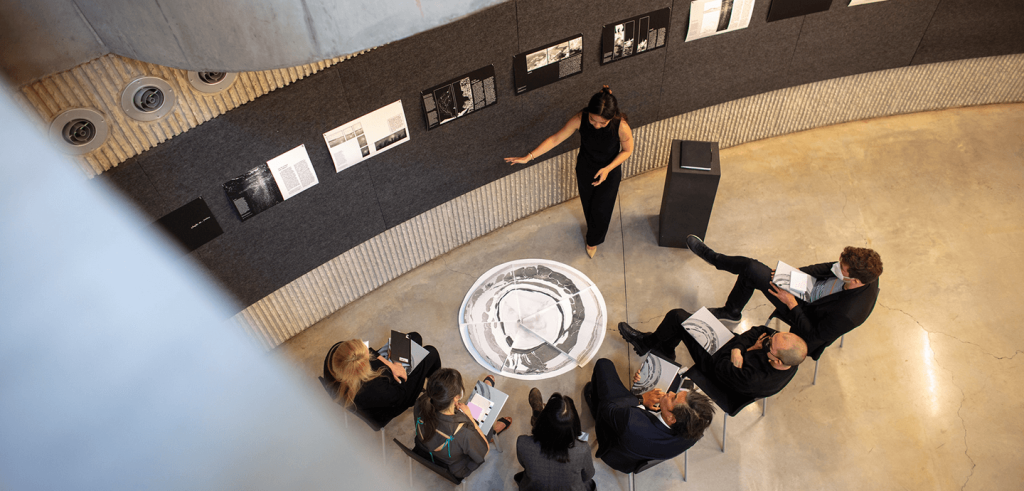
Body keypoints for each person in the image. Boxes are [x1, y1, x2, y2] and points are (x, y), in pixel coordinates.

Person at [685, 235, 882, 358]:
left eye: (843, 269)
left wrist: (792, 304)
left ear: (855, 281)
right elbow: (827, 268)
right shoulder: (861, 272)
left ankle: (730, 307)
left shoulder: (848, 314)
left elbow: (811, 336)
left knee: (751, 270)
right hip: (807, 290)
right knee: (751, 270)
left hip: (804, 314)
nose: (838, 267)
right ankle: (731, 308)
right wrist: (796, 273)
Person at [505, 86, 634, 258]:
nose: (596, 126)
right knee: (588, 205)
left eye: (602, 123)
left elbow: (627, 150)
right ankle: (592, 230)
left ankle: (593, 240)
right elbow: (556, 138)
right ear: (589, 112)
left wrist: (608, 169)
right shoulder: (580, 118)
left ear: (611, 118)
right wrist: (529, 156)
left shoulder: (621, 126)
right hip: (586, 168)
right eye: (594, 120)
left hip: (609, 172)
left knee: (602, 209)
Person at [619, 309, 807, 400]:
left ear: (777, 360)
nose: (766, 340)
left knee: (676, 318)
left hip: (718, 374)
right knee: (683, 320)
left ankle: (648, 344)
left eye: (769, 346)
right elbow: (756, 331)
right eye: (773, 337)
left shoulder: (754, 378)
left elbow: (720, 367)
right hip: (731, 352)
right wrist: (739, 349)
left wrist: (749, 348)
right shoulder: (786, 350)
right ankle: (663, 350)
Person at [582, 358, 714, 474]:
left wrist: (640, 399)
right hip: (638, 451)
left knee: (604, 365)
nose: (671, 392)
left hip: (613, 439)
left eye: (673, 397)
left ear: (671, 418)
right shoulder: (694, 430)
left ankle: (594, 405)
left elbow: (608, 408)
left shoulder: (631, 422)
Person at [322, 331, 441, 427]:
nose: (366, 346)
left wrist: (393, 365)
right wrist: (400, 367)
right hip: (393, 401)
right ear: (364, 366)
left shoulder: (336, 354)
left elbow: (369, 351)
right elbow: (402, 395)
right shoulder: (375, 389)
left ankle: (426, 374)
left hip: (382, 386)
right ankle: (440, 393)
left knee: (414, 337)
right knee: (431, 352)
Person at [413, 370, 511, 478]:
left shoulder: (421, 402)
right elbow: (485, 450)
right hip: (454, 467)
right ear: (456, 397)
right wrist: (469, 416)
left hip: (424, 449)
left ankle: (486, 416)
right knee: (486, 425)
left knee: (470, 428)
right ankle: (493, 431)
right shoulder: (464, 432)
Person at [514, 391, 595, 490]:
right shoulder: (582, 449)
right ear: (573, 426)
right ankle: (537, 416)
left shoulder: (523, 443)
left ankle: (537, 416)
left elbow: (524, 464)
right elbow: (588, 475)